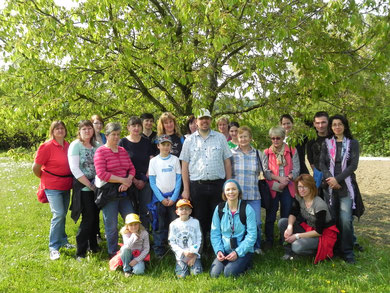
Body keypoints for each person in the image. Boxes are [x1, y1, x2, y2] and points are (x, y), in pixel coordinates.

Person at [180, 108, 232, 242]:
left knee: (219, 217)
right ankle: (201, 249)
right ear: (197, 121)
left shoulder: (220, 138)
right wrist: (186, 189)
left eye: (207, 118)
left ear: (210, 120)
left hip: (218, 185)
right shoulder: (189, 140)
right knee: (200, 218)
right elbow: (184, 166)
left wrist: (229, 185)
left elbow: (227, 162)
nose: (204, 121)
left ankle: (217, 247)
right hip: (197, 186)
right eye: (201, 119)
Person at [319, 114, 364, 264]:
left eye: (339, 124)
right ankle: (335, 249)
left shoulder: (353, 143)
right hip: (330, 188)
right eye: (334, 125)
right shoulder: (326, 143)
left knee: (345, 219)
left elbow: (353, 165)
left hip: (346, 187)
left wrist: (337, 179)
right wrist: (331, 180)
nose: (337, 127)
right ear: (331, 127)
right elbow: (322, 164)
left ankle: (347, 251)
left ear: (344, 126)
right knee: (333, 219)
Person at [32, 120, 74, 260]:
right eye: (57, 128)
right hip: (52, 185)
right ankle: (53, 247)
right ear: (52, 131)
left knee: (63, 214)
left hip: (66, 184)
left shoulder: (69, 145)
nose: (60, 131)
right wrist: (45, 178)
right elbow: (36, 168)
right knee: (58, 214)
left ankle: (63, 240)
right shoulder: (46, 146)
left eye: (62, 128)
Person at [94, 122, 136, 258]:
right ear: (106, 136)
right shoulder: (101, 151)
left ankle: (133, 249)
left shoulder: (122, 151)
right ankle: (112, 252)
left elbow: (131, 169)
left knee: (132, 220)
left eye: (118, 134)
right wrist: (121, 180)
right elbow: (102, 173)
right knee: (111, 225)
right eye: (113, 134)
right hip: (109, 192)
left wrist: (128, 181)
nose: (116, 137)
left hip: (124, 191)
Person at [278, 174, 339, 263]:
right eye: (299, 187)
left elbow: (319, 231)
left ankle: (314, 252)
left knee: (297, 246)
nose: (301, 190)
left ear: (311, 187)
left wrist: (297, 236)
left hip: (323, 234)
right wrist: (290, 227)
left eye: (305, 187)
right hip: (309, 228)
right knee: (283, 222)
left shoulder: (319, 205)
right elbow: (293, 213)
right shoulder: (299, 197)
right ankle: (289, 253)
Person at [210, 179, 257, 277]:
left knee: (229, 273)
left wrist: (237, 252)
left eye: (234, 189)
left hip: (243, 249)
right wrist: (219, 250)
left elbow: (252, 235)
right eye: (228, 190)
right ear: (224, 193)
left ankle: (246, 263)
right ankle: (231, 263)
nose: (231, 192)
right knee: (214, 274)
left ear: (238, 191)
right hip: (225, 249)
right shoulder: (219, 209)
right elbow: (215, 232)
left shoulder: (247, 209)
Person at [68, 120, 100, 260]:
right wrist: (89, 185)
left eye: (89, 128)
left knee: (95, 218)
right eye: (84, 129)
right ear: (79, 131)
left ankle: (93, 246)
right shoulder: (75, 145)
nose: (87, 131)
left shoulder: (97, 145)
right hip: (84, 187)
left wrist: (97, 184)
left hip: (97, 186)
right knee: (88, 218)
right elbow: (74, 168)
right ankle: (80, 251)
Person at [263, 126, 300, 248]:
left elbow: (296, 169)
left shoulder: (292, 150)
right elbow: (266, 172)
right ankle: (269, 240)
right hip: (273, 187)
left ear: (283, 138)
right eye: (272, 138)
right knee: (271, 215)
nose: (275, 141)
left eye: (278, 138)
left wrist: (287, 179)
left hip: (288, 187)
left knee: (286, 215)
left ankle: (284, 240)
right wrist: (279, 179)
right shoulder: (266, 152)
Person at [231, 126, 263, 254]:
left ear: (250, 138)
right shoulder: (232, 153)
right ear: (237, 139)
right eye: (241, 137)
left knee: (256, 223)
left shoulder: (257, 153)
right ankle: (241, 247)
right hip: (237, 196)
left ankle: (256, 247)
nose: (243, 139)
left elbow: (264, 172)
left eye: (245, 136)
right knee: (238, 224)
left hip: (254, 194)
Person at [148, 135, 182, 257]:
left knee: (175, 224)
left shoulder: (175, 160)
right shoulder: (153, 161)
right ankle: (159, 251)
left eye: (168, 145)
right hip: (159, 199)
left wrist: (173, 198)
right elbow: (152, 182)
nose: (166, 147)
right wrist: (161, 198)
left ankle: (177, 251)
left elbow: (179, 179)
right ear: (158, 146)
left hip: (173, 198)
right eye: (163, 144)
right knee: (159, 224)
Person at [119, 116, 154, 230]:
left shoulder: (146, 142)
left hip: (145, 180)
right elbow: (121, 163)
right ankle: (132, 237)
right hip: (128, 181)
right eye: (133, 125)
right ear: (128, 127)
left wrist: (144, 179)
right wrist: (133, 180)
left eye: (139, 125)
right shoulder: (123, 142)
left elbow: (152, 161)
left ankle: (145, 236)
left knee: (145, 210)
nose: (136, 128)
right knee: (131, 212)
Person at [168, 199, 202, 278]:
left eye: (187, 208)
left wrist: (194, 254)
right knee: (182, 276)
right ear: (177, 212)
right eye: (181, 209)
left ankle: (195, 264)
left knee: (196, 275)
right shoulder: (173, 224)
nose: (184, 211)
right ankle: (182, 267)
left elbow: (200, 239)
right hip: (181, 256)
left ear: (190, 211)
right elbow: (171, 242)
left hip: (194, 254)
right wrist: (183, 252)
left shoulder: (195, 222)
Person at [307, 111, 329, 187]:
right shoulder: (311, 140)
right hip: (318, 175)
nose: (320, 126)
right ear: (314, 124)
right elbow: (310, 158)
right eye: (317, 123)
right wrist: (316, 172)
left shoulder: (333, 138)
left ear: (328, 122)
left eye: (323, 122)